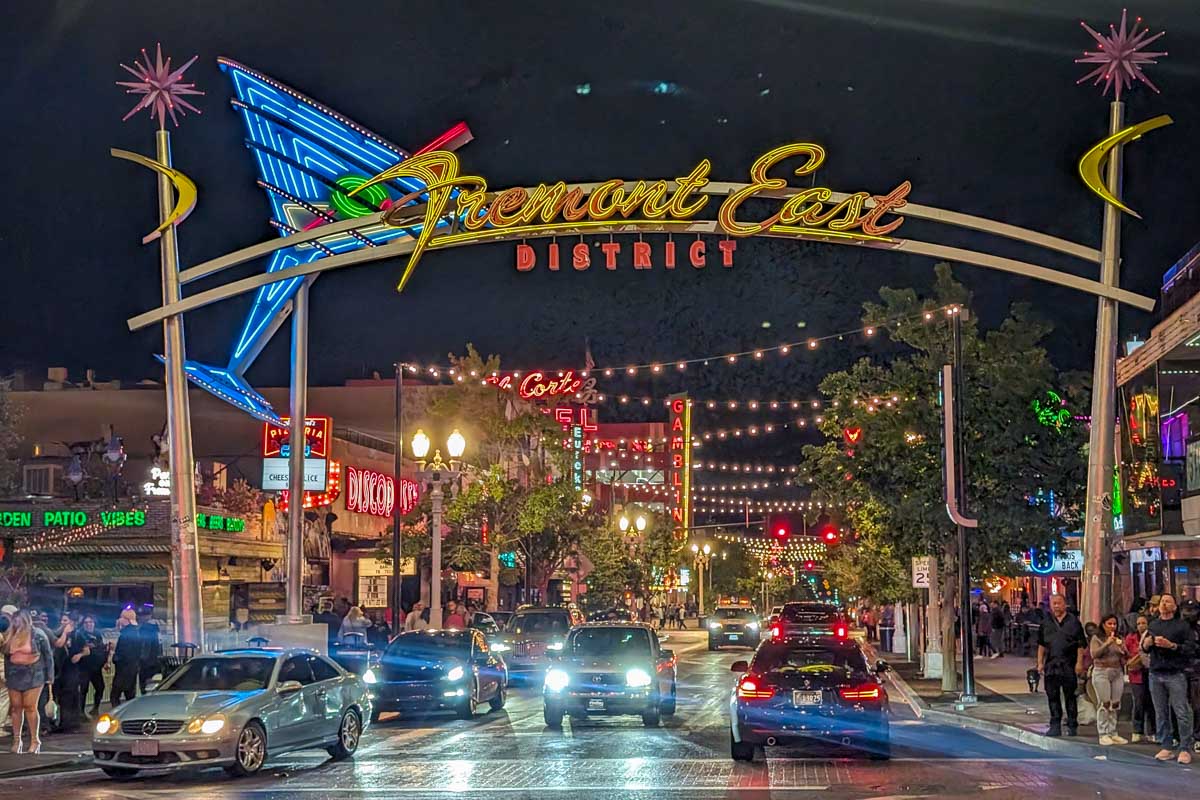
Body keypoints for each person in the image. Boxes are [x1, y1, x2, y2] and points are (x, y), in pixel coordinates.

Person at [1141, 593, 1196, 764]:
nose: (1164, 604)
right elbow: (1144, 647)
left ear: (1174, 606)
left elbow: (1190, 648)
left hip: (1175, 673)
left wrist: (1172, 645)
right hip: (1156, 672)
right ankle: (1166, 745)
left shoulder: (1182, 626)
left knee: (1181, 711)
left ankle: (1185, 747)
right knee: (1161, 712)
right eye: (1162, 602)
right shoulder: (1154, 624)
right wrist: (1147, 644)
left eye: (1168, 602)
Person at [2, 611, 53, 753]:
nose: (17, 624)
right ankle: (17, 740)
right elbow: (7, 658)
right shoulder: (10, 635)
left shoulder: (38, 634)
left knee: (30, 706)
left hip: (33, 674)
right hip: (14, 674)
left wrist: (50, 677)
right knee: (15, 708)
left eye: (19, 621)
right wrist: (6, 676)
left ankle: (35, 740)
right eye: (15, 621)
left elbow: (48, 656)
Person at [1037, 593, 1087, 737]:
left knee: (1070, 696)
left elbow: (1080, 645)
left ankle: (1072, 724)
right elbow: (1041, 645)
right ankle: (1055, 725)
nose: (1056, 606)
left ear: (1065, 604)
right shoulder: (1045, 623)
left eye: (1059, 603)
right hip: (1051, 665)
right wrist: (1039, 663)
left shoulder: (1074, 622)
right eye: (1054, 603)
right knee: (1052, 696)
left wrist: (1079, 663)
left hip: (1069, 664)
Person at [1089, 613, 1128, 745]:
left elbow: (1125, 655)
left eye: (1114, 624)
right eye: (1109, 624)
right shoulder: (1096, 638)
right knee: (1104, 703)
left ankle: (1113, 732)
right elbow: (1094, 654)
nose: (1112, 627)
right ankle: (1103, 733)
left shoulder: (1119, 638)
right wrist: (1107, 643)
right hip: (1101, 671)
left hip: (1117, 671)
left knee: (1115, 703)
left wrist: (1122, 648)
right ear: (1103, 625)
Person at [1125, 614, 1155, 743]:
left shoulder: (1152, 637)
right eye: (1138, 623)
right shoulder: (1130, 638)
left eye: (1143, 623)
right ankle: (1137, 730)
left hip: (1151, 673)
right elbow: (1126, 657)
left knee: (1151, 703)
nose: (1141, 625)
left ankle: (1152, 731)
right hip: (1136, 674)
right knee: (1138, 702)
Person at [72, 615, 106, 718]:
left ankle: (95, 709)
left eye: (91, 622)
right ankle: (81, 712)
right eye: (86, 622)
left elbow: (101, 648)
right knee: (83, 690)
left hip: (96, 667)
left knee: (100, 687)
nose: (89, 624)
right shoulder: (80, 635)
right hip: (84, 667)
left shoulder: (98, 634)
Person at [109, 609, 140, 707]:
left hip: (123, 669)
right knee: (130, 694)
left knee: (115, 695)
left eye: (121, 617)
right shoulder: (136, 632)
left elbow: (122, 653)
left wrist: (114, 655)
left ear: (125, 619)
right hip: (133, 668)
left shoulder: (125, 634)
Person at [137, 607, 162, 694]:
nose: (139, 618)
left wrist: (141, 660)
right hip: (156, 661)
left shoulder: (145, 629)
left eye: (141, 616)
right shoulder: (156, 628)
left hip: (146, 663)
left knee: (144, 686)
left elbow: (145, 646)